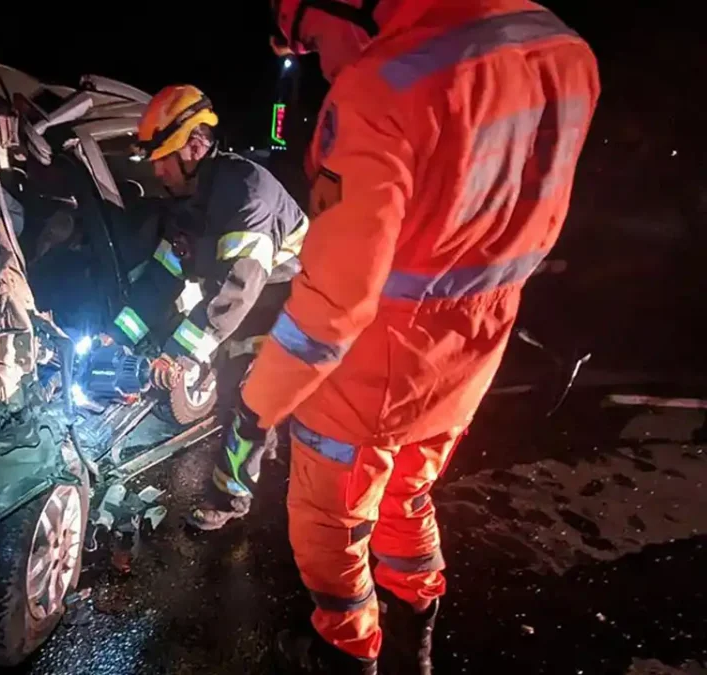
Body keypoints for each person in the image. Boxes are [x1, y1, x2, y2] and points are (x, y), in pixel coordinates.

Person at [235, 0, 600, 673]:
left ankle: (345, 652)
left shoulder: (381, 87)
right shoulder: (564, 52)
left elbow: (335, 302)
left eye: (313, 39)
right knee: (407, 494)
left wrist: (257, 403)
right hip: (472, 352)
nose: (322, 62)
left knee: (331, 521)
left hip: (377, 364)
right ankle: (416, 640)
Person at [104, 85, 308, 528]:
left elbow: (239, 284)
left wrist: (181, 354)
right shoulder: (187, 201)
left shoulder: (246, 195)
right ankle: (264, 445)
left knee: (248, 395)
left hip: (291, 294)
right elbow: (163, 275)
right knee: (239, 387)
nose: (157, 171)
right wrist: (117, 335)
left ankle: (232, 498)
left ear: (195, 148)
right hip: (245, 296)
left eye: (164, 158)